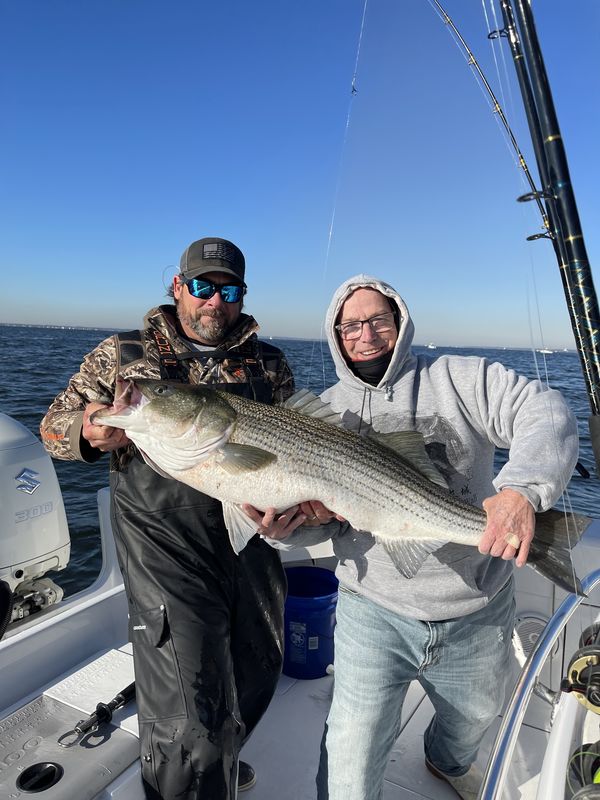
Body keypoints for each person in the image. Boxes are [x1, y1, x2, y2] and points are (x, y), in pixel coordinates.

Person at [244, 274, 579, 800]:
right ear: (335, 334)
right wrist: (287, 532)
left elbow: (544, 408)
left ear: (400, 322)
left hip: (476, 604)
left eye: (378, 319)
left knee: (472, 721)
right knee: (349, 768)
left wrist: (521, 492)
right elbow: (325, 521)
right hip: (372, 609)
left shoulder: (460, 378)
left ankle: (445, 761)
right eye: (351, 325)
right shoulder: (322, 414)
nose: (366, 335)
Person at [40, 237, 295, 800]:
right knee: (191, 716)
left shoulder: (270, 362)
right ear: (178, 287)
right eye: (202, 287)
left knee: (259, 671)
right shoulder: (124, 356)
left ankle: (222, 762)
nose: (215, 302)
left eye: (229, 290)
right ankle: (194, 777)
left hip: (250, 544)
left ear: (242, 295)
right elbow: (53, 425)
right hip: (164, 548)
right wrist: (86, 428)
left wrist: (292, 512)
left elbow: (291, 459)